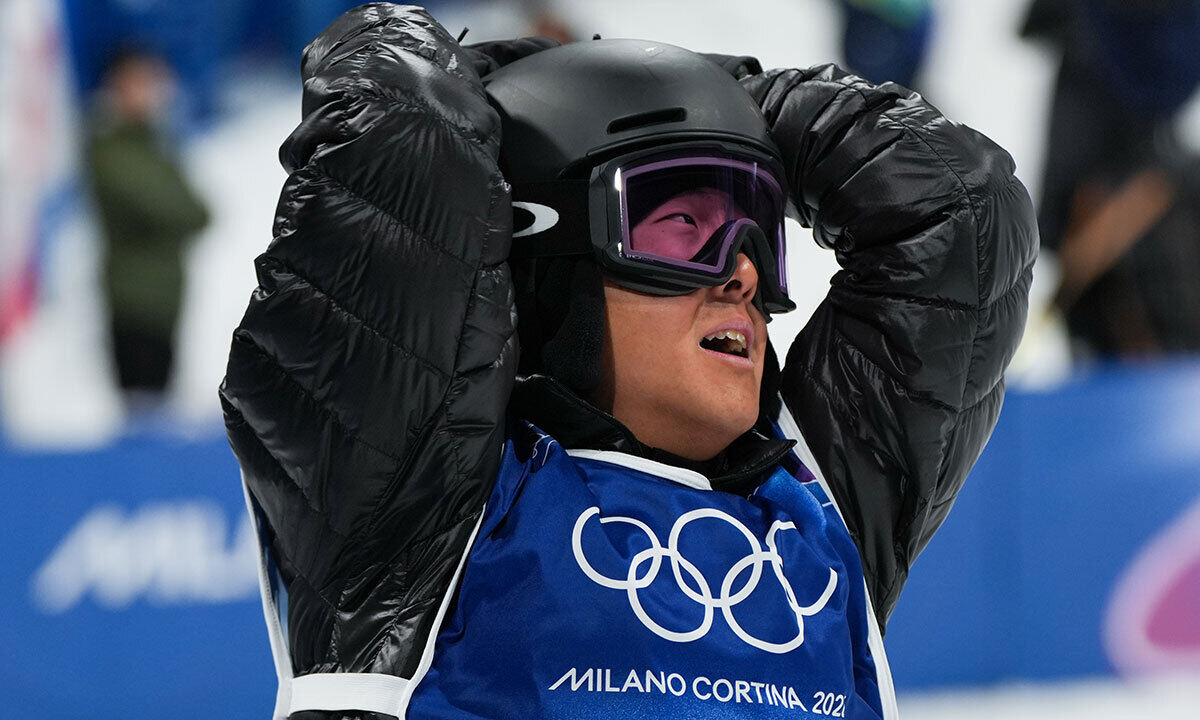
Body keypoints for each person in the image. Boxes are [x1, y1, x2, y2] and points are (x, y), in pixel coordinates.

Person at [220, 4, 1035, 719]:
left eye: (757, 231)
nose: (742, 274)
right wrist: (540, 99)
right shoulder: (412, 509)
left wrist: (706, 95)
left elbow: (960, 209)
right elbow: (399, 141)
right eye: (683, 228)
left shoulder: (820, 502)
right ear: (546, 265)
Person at [86, 47, 209, 400]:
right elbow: (174, 210)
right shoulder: (109, 150)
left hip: (166, 301)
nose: (148, 91)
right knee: (142, 409)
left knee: (161, 404)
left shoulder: (156, 145)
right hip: (133, 303)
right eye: (137, 81)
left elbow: (200, 212)